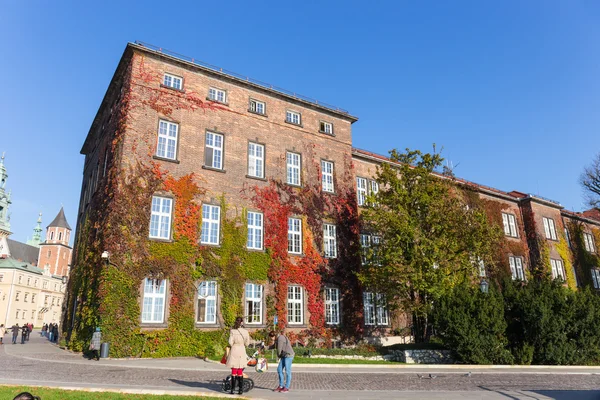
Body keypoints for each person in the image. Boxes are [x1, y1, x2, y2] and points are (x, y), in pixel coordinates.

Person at [226, 316, 250, 395]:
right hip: (242, 350)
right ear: (242, 323)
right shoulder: (245, 332)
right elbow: (247, 343)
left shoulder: (233, 331)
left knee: (234, 370)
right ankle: (240, 390)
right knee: (240, 369)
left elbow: (230, 342)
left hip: (234, 350)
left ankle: (232, 390)